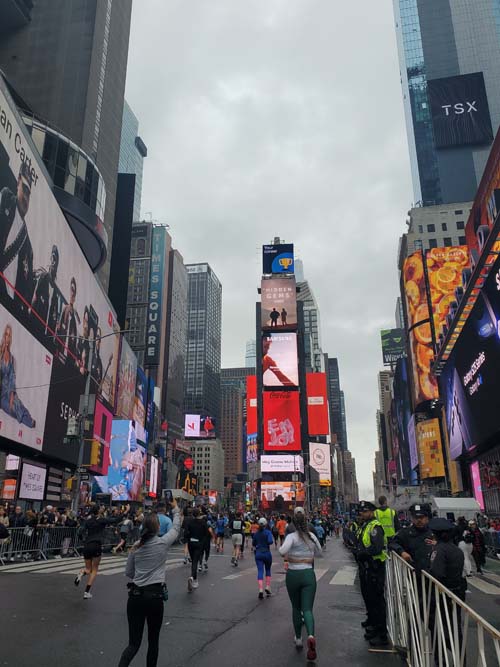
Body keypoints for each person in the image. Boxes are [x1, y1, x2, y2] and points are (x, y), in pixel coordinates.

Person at [118, 500, 181, 667]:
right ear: (157, 528)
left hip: (135, 597)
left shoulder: (136, 547)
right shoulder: (162, 543)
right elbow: (176, 528)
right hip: (154, 597)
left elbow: (129, 573)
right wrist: (175, 508)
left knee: (133, 644)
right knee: (153, 642)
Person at [279, 507, 322, 661]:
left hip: (293, 574)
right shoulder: (311, 536)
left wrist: (292, 553)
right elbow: (320, 553)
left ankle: (298, 638)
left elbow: (281, 551)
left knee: (296, 608)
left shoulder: (291, 536)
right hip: (309, 574)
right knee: (308, 609)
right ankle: (310, 635)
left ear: (294, 523)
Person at [0, 162, 35, 314]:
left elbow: (26, 292)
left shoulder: (28, 246)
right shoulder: (5, 198)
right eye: (25, 189)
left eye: (29, 193)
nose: (26, 198)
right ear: (18, 182)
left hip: (9, 308)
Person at [428, 518, 466, 654]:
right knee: (456, 628)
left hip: (444, 594)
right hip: (457, 592)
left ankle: (442, 659)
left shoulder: (439, 550)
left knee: (442, 629)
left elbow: (437, 573)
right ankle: (461, 659)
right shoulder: (457, 550)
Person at [354, 501, 388, 648]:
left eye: (364, 511)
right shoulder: (365, 525)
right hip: (366, 568)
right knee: (368, 597)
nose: (361, 514)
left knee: (377, 601)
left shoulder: (375, 527)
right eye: (360, 512)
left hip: (375, 568)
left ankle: (381, 634)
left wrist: (363, 553)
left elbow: (377, 548)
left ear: (372, 512)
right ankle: (373, 624)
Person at [74, 506, 122, 599]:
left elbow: (79, 531)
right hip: (96, 545)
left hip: (87, 545)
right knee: (94, 569)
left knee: (88, 569)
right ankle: (86, 592)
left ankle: (81, 573)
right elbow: (115, 520)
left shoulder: (88, 521)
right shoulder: (101, 520)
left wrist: (83, 540)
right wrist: (125, 512)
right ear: (98, 511)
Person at [0, 324, 36, 428]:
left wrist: (11, 395)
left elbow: (12, 377)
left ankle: (28, 417)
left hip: (8, 389)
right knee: (11, 410)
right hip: (0, 394)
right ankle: (28, 421)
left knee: (17, 403)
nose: (7, 338)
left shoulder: (11, 358)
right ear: (3, 335)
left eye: (9, 336)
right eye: (6, 334)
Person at [389, 503, 433, 573]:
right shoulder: (405, 533)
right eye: (416, 517)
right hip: (413, 573)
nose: (419, 520)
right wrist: (402, 552)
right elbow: (392, 543)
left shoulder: (433, 532)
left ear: (427, 518)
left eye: (421, 517)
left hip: (432, 574)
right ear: (412, 518)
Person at [184, 507, 210, 591]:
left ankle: (193, 578)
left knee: (193, 561)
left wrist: (187, 540)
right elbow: (207, 534)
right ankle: (193, 578)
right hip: (199, 544)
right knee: (195, 561)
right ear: (199, 514)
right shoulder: (203, 522)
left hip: (191, 543)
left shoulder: (189, 522)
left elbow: (186, 533)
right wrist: (203, 542)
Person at [252, 517, 274, 599]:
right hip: (267, 553)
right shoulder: (268, 532)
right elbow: (270, 541)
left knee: (260, 571)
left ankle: (260, 589)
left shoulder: (256, 533)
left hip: (258, 554)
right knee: (268, 570)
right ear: (265, 524)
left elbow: (253, 543)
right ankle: (267, 586)